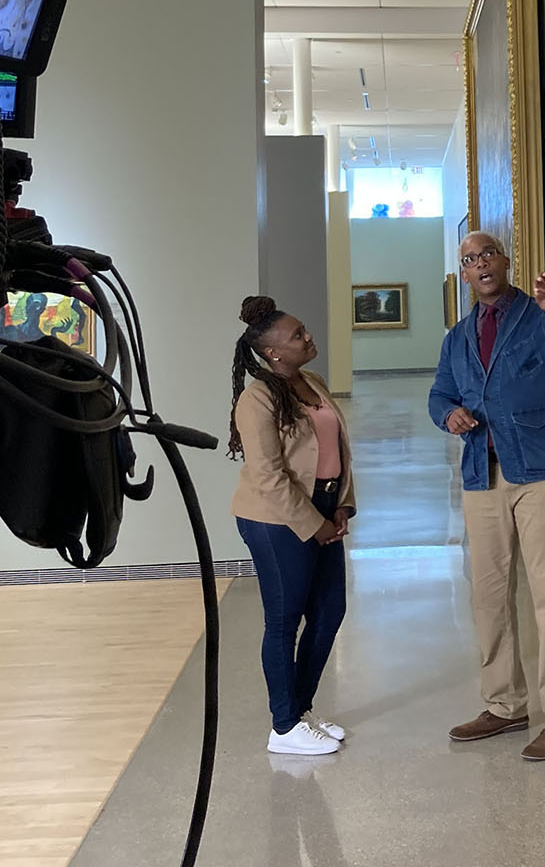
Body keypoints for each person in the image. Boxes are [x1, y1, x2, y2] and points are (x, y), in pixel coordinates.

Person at [430, 233, 545, 762]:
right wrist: (447, 414)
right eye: (469, 260)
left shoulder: (539, 316)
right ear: (462, 275)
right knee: (488, 596)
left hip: (542, 471)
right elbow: (441, 392)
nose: (479, 264)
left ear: (505, 262)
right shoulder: (458, 337)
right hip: (481, 473)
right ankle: (504, 705)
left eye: (487, 255)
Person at [229, 296, 355, 757]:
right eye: (297, 335)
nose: (308, 337)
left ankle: (299, 710)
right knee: (283, 622)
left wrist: (341, 506)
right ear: (273, 353)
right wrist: (313, 523)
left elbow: (337, 451)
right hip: (274, 518)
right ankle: (283, 726)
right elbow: (268, 475)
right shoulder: (257, 397)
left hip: (322, 508)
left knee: (329, 612)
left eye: (304, 330)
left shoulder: (312, 382)